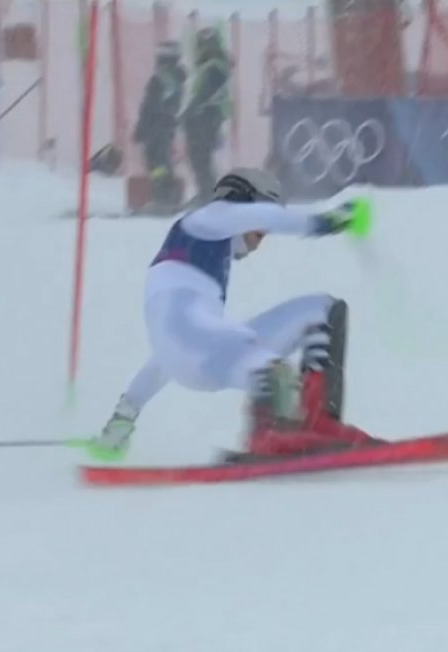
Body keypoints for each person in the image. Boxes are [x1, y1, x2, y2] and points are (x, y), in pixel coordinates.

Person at [88, 168, 374, 462]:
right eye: (263, 221)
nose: (264, 234)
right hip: (208, 349)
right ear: (244, 200)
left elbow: (166, 355)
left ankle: (317, 423)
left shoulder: (203, 258)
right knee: (275, 374)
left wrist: (124, 415)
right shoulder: (205, 219)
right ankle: (271, 434)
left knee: (324, 311)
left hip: (212, 351)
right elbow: (178, 342)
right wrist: (328, 220)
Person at [133, 41, 186, 211]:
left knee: (158, 161)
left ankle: (163, 197)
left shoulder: (164, 78)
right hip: (162, 125)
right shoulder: (174, 76)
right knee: (160, 161)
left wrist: (143, 125)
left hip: (157, 126)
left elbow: (152, 104)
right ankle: (164, 196)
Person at [181, 28, 231, 205]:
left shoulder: (213, 67)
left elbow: (204, 93)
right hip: (208, 116)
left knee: (200, 157)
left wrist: (189, 111)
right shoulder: (213, 65)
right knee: (202, 157)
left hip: (206, 116)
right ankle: (206, 192)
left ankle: (207, 195)